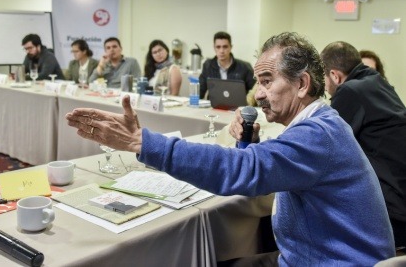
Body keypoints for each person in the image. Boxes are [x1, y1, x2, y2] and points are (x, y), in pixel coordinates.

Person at [66, 32, 395, 265]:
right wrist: (250, 145)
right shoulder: (322, 123)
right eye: (257, 83)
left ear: (302, 84)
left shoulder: (319, 134)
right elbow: (267, 166)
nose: (258, 94)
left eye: (267, 82)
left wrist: (142, 142)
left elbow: (245, 172)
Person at [321, 41, 406, 250]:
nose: (325, 88)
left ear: (334, 75)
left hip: (392, 212)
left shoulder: (350, 91)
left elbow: (325, 146)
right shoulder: (377, 82)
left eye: (324, 80)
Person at [199, 31, 255, 99]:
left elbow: (254, 92)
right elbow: (200, 90)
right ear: (214, 48)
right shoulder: (208, 66)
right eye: (218, 47)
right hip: (214, 107)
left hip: (237, 107)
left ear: (231, 47)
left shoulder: (245, 67)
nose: (221, 51)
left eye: (225, 47)